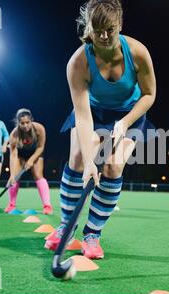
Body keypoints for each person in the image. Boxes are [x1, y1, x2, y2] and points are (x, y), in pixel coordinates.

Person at [45, 0, 156, 260]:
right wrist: (89, 164)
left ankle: (92, 234)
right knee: (79, 159)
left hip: (131, 113)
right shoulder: (78, 63)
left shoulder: (138, 52)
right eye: (98, 30)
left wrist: (125, 122)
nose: (104, 36)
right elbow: (83, 117)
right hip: (93, 112)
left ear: (119, 25)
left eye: (110, 29)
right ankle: (66, 227)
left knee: (113, 166)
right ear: (88, 28)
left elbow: (149, 95)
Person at [5, 108, 53, 215]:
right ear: (18, 122)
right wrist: (12, 175)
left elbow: (41, 147)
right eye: (22, 123)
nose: (25, 125)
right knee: (15, 176)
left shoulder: (39, 129)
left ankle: (47, 206)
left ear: (31, 120)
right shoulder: (14, 134)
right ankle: (11, 204)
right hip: (21, 155)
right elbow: (13, 154)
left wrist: (31, 160)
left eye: (27, 122)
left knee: (38, 175)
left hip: (36, 153)